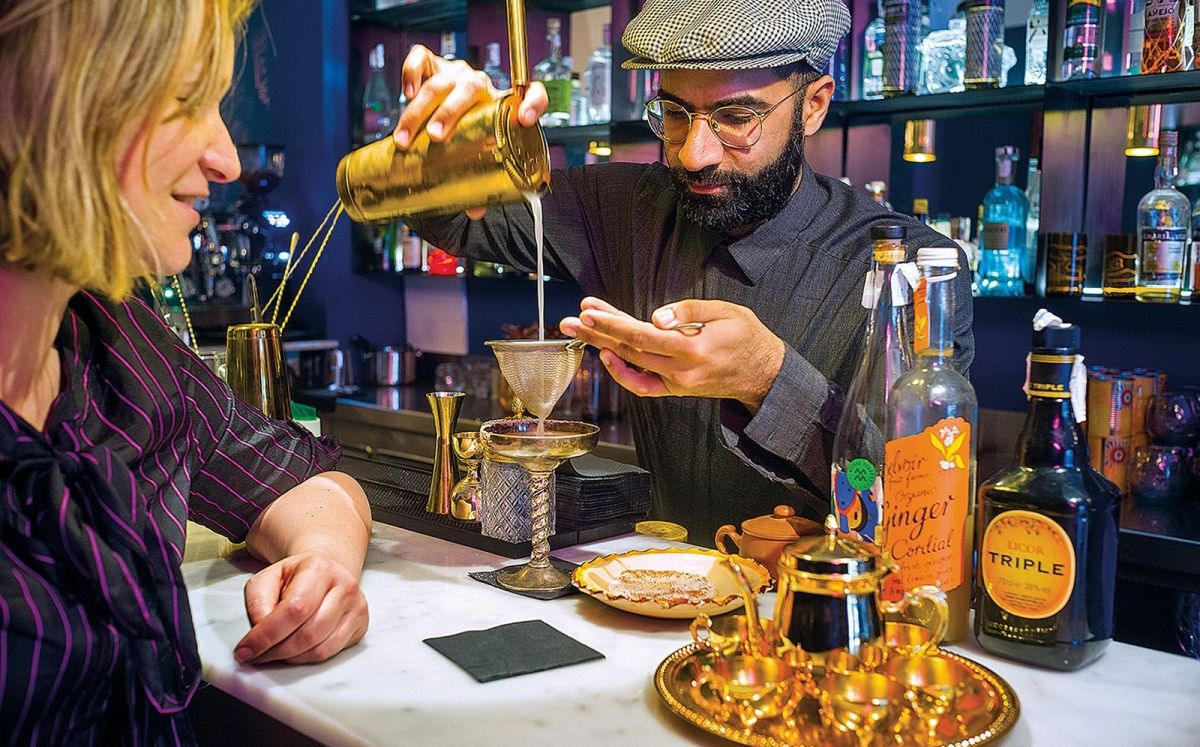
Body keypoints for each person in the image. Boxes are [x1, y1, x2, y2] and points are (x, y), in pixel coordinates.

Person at [396, 0, 974, 544]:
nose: (695, 153)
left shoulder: (912, 272)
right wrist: (443, 137)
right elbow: (453, 221)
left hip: (822, 621)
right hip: (655, 596)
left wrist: (766, 379)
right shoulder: (625, 208)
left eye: (737, 117)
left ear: (813, 105)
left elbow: (918, 507)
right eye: (675, 113)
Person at [0, 1, 372, 742]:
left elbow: (308, 480)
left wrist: (324, 563)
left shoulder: (117, 342)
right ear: (52, 99)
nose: (227, 160)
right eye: (183, 101)